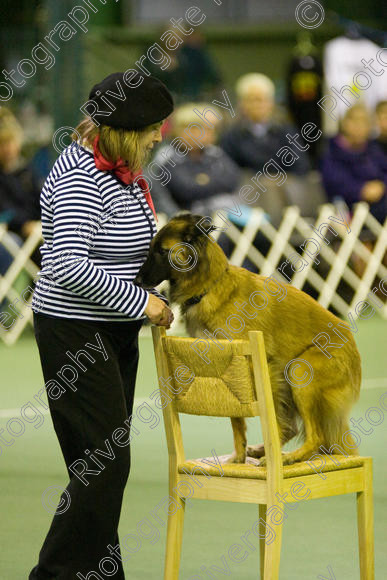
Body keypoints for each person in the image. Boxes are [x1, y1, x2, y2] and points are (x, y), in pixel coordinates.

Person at [29, 72, 175, 580]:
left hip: (112, 328)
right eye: (154, 127)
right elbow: (67, 265)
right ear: (126, 129)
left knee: (96, 470)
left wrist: (163, 277)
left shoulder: (123, 170)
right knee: (104, 467)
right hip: (75, 332)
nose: (160, 136)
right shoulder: (80, 175)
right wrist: (144, 304)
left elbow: (118, 253)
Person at [149, 102, 242, 217]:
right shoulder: (167, 156)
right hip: (186, 216)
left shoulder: (214, 153)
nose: (198, 134)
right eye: (191, 129)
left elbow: (232, 181)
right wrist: (212, 182)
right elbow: (184, 190)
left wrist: (202, 181)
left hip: (225, 212)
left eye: (202, 129)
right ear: (177, 131)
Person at [320, 104, 386, 226]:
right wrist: (361, 190)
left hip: (378, 204)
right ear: (344, 123)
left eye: (364, 122)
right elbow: (333, 183)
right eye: (355, 120)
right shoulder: (332, 151)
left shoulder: (373, 150)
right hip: (348, 209)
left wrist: (381, 187)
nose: (360, 126)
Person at [0, 108, 42, 272]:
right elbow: (5, 213)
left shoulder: (27, 171)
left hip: (35, 232)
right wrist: (24, 224)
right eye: (2, 143)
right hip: (12, 234)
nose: (8, 148)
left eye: (10, 142)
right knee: (10, 246)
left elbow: (41, 202)